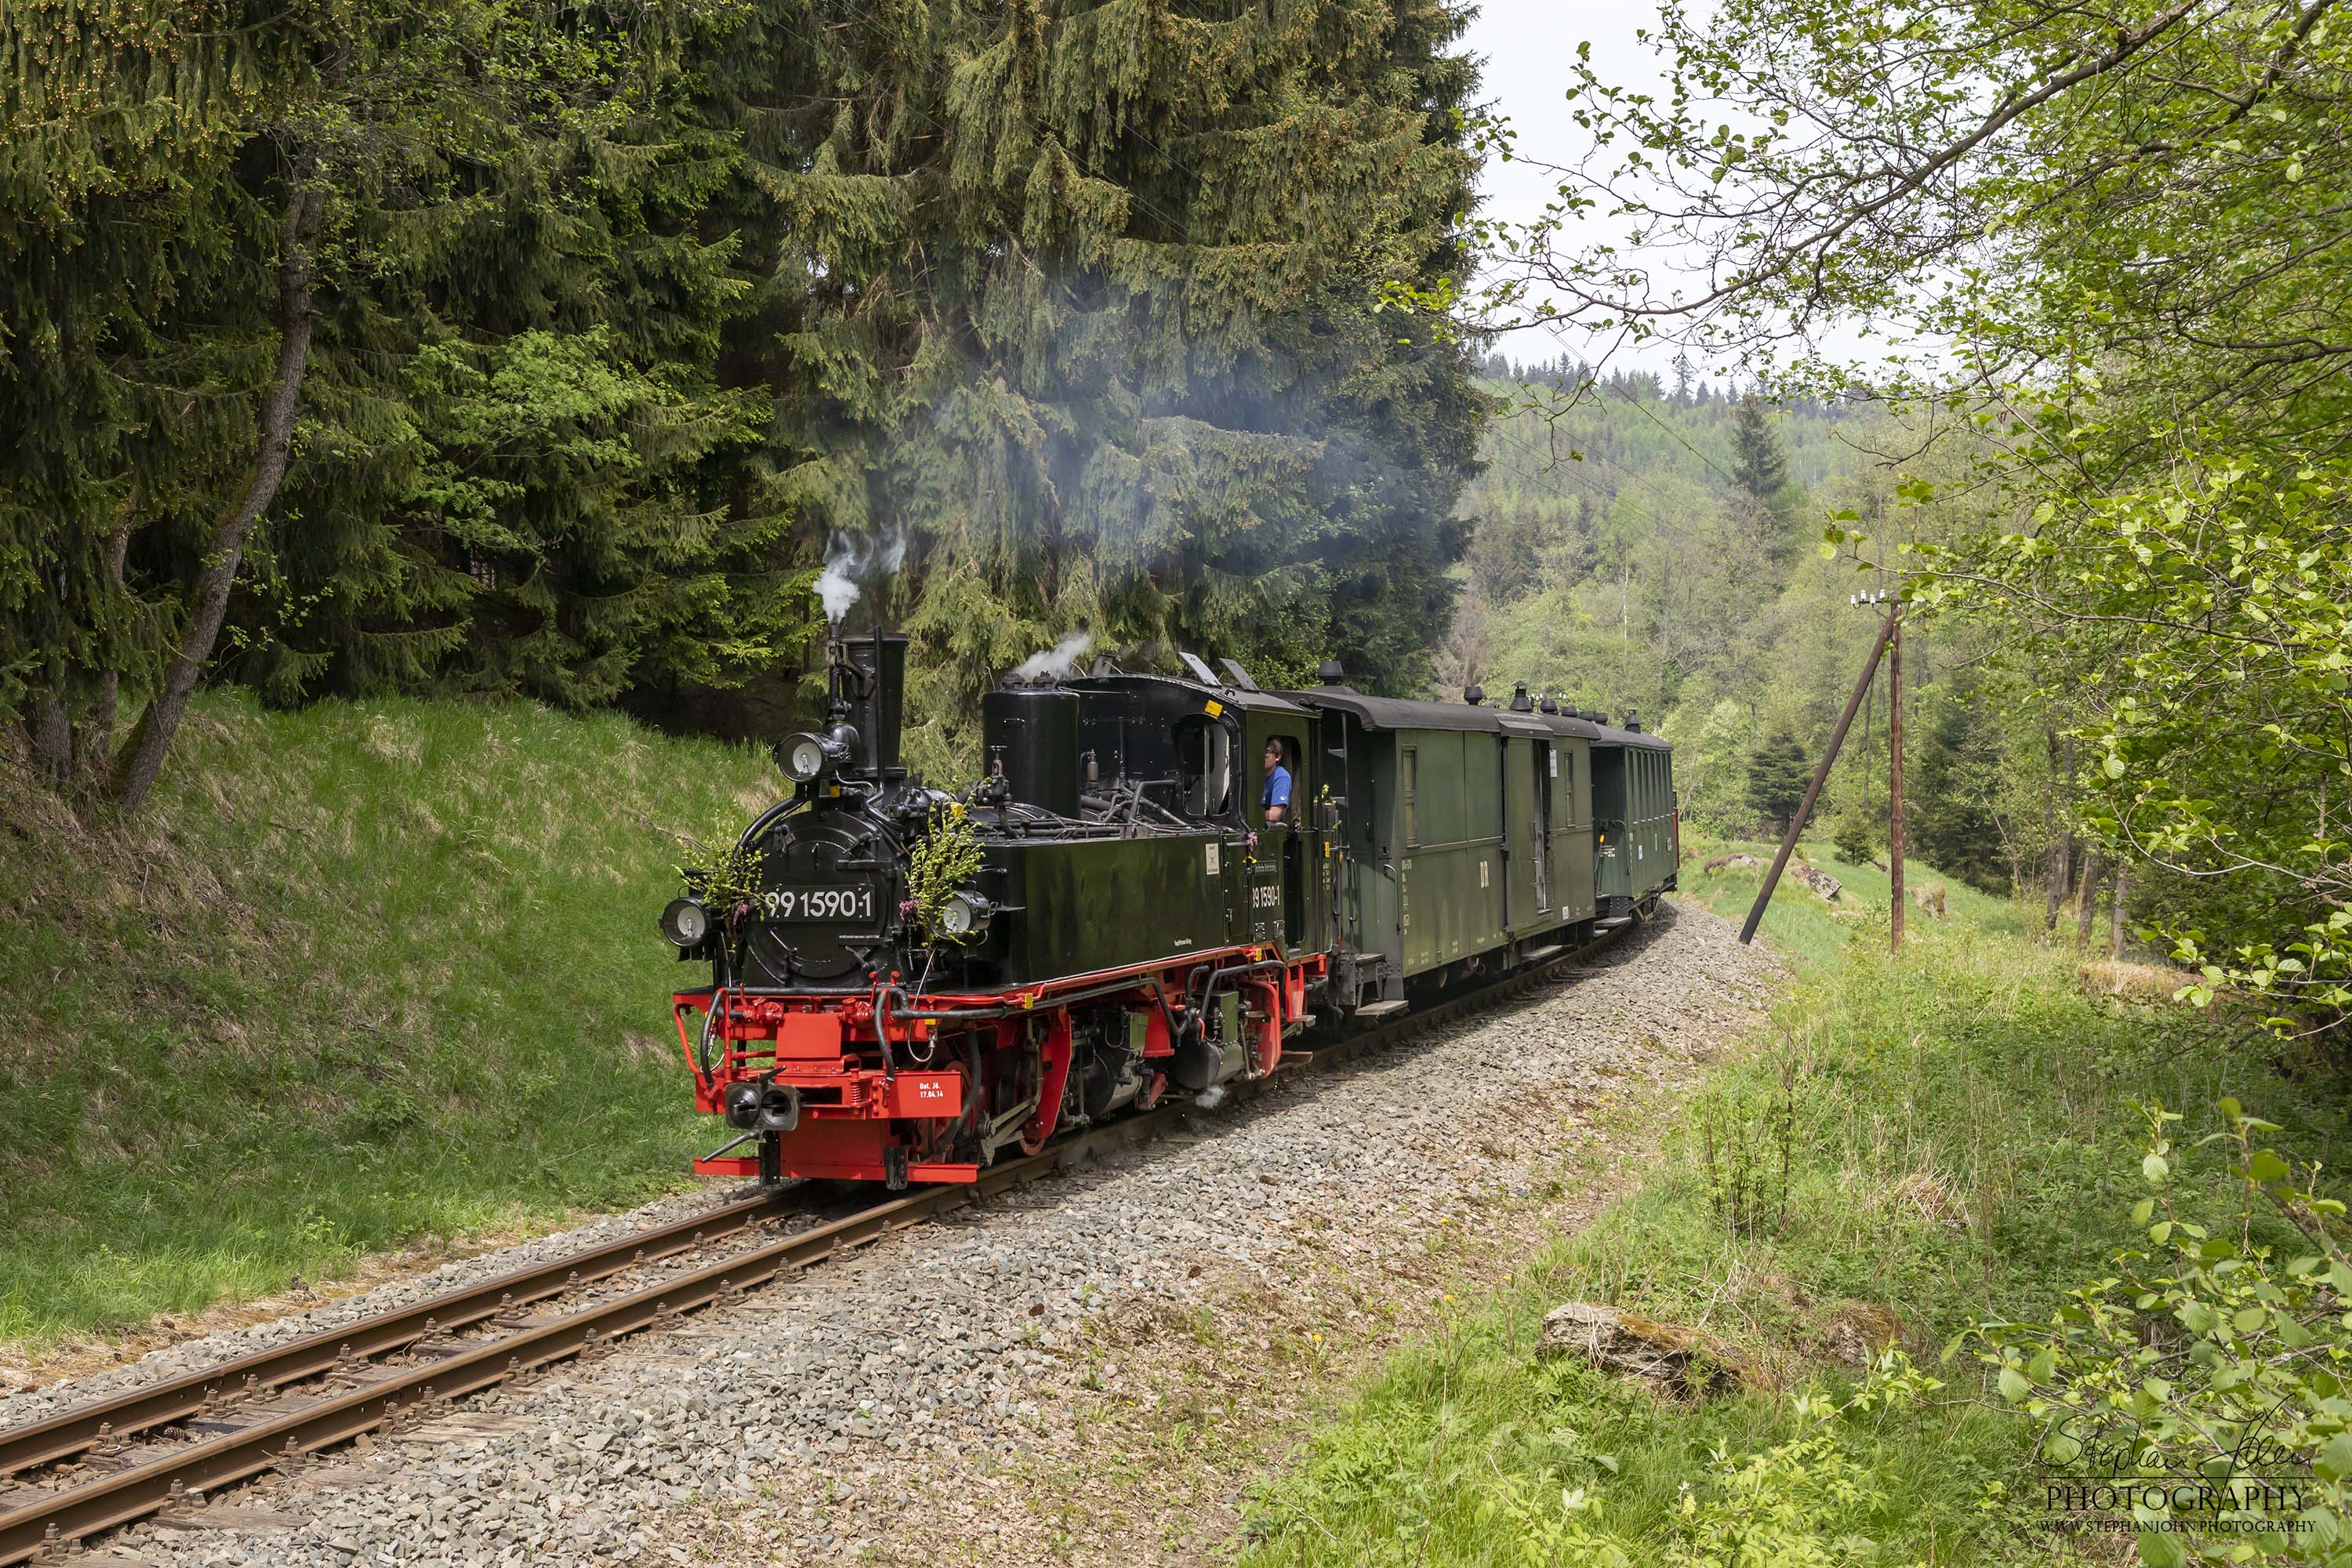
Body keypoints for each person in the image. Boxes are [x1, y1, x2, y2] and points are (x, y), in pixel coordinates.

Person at [1261, 738, 1292, 825]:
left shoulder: (1282, 777)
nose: (1263, 756)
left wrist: (1247, 815)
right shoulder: (1257, 775)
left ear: (1277, 757)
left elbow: (1274, 815)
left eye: (1267, 752)